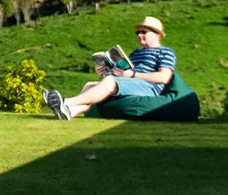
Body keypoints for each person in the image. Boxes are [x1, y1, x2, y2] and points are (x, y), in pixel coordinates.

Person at [44, 15, 176, 120]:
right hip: (130, 82)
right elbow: (122, 75)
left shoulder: (165, 52)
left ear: (157, 34)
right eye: (137, 32)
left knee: (109, 82)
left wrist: (133, 75)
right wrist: (104, 72)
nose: (139, 35)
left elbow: (164, 77)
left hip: (148, 87)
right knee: (90, 84)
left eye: (143, 32)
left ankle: (66, 102)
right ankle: (70, 112)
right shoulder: (136, 53)